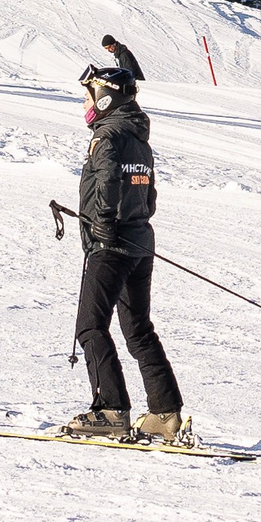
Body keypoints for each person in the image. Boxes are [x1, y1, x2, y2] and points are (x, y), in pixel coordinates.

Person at [64, 62, 184, 441]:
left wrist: (102, 219)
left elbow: (111, 177)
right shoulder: (138, 136)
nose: (85, 102)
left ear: (104, 96)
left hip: (110, 245)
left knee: (90, 326)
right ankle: (165, 414)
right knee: (137, 330)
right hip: (139, 244)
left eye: (88, 94)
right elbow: (146, 192)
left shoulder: (109, 136)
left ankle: (111, 409)